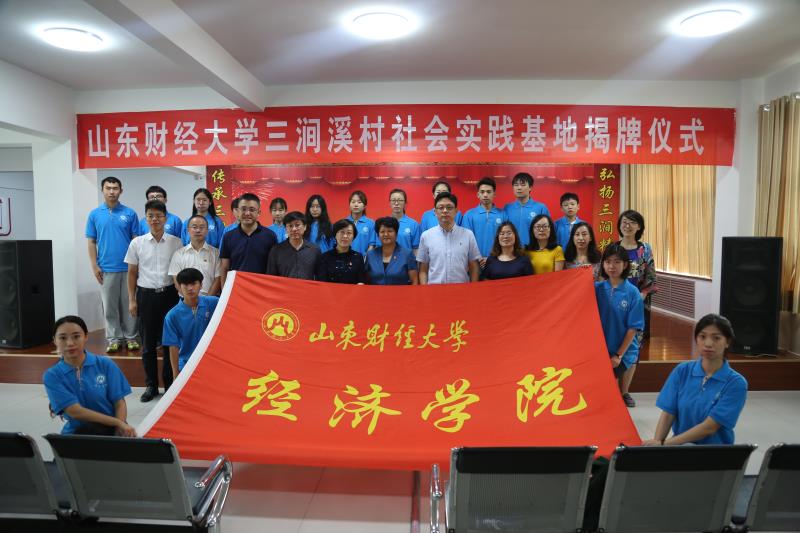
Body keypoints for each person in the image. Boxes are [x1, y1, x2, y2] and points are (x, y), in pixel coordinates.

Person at [643, 314, 747, 446]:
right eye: (702, 337)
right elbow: (668, 413)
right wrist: (657, 445)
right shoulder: (682, 371)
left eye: (716, 338)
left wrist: (665, 444)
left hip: (715, 452)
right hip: (679, 446)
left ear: (727, 342)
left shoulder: (736, 383)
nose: (708, 343)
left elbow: (709, 427)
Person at [125, 200, 183, 402]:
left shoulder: (176, 242)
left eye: (159, 215)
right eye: (151, 215)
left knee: (169, 342)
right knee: (148, 344)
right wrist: (132, 300)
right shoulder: (137, 243)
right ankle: (151, 385)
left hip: (169, 295)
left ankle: (169, 384)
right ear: (146, 218)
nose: (155, 219)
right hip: (146, 296)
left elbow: (179, 271)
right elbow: (132, 273)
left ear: (165, 218)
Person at [44, 315, 136, 436]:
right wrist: (117, 422)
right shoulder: (52, 375)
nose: (70, 343)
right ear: (55, 340)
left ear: (86, 336)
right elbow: (75, 411)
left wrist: (119, 427)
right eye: (62, 338)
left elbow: (119, 402)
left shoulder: (105, 364)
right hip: (76, 434)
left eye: (76, 336)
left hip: (111, 431)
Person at [86, 176, 140, 354]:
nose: (111, 191)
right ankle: (114, 338)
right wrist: (94, 265)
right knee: (109, 306)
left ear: (121, 190)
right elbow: (91, 242)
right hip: (106, 269)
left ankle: (131, 337)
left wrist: (137, 265)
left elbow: (136, 241)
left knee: (129, 303)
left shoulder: (130, 213)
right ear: (102, 190)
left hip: (128, 268)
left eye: (115, 188)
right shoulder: (94, 214)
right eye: (108, 188)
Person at [616, 209, 658, 407]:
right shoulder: (613, 248)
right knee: (614, 345)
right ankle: (612, 391)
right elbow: (605, 274)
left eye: (632, 222)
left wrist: (640, 295)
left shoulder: (645, 249)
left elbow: (651, 277)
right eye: (624, 222)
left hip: (637, 306)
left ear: (639, 227)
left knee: (632, 349)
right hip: (615, 305)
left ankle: (625, 392)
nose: (628, 225)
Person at [594, 243, 645, 407]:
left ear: (625, 265)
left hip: (623, 351)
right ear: (603, 264)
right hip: (601, 349)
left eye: (617, 262)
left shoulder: (632, 292)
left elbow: (633, 328)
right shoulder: (596, 289)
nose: (612, 266)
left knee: (610, 390)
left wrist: (618, 355)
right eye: (608, 261)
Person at [162, 268, 220, 377]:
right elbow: (173, 347)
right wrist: (175, 374)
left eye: (194, 284)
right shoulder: (172, 316)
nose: (190, 288)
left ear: (201, 285)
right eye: (185, 284)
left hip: (212, 363)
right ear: (179, 287)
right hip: (186, 366)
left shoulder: (214, 303)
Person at [417, 192, 480, 284]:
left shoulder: (468, 235)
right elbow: (423, 268)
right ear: (435, 212)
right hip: (434, 289)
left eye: (449, 207)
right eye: (441, 208)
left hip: (461, 289)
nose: (445, 211)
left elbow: (473, 266)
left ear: (456, 211)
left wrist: (473, 288)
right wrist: (425, 289)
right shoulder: (426, 236)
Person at [219, 193, 278, 286]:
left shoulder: (270, 236)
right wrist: (224, 290)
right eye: (243, 209)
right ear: (238, 211)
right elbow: (225, 267)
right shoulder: (228, 236)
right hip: (236, 288)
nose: (247, 213)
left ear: (259, 213)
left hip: (261, 288)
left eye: (252, 210)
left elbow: (273, 268)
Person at [168, 214, 222, 296]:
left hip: (210, 299)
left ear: (207, 230)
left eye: (202, 227)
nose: (198, 230)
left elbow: (218, 279)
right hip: (186, 299)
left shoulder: (216, 253)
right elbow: (176, 280)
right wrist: (189, 299)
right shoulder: (178, 254)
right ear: (188, 230)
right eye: (194, 227)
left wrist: (206, 300)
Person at [462, 177, 506, 267]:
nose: (485, 195)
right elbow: (466, 241)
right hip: (475, 264)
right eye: (482, 192)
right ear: (478, 194)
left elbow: (506, 240)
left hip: (498, 262)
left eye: (489, 192)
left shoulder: (503, 215)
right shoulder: (469, 215)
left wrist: (492, 259)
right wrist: (477, 258)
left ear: (494, 194)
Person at [266, 211, 321, 279]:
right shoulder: (276, 250)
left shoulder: (315, 250)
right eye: (290, 226)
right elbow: (270, 278)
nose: (294, 229)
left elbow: (320, 277)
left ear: (305, 227)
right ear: (286, 229)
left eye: (297, 225)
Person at [366, 217, 419, 285]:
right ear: (378, 235)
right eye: (382, 232)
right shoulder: (370, 255)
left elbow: (414, 281)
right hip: (375, 291)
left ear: (396, 234)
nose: (386, 234)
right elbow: (366, 280)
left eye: (390, 231)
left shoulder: (407, 254)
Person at [503, 172, 551, 248]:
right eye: (516, 185)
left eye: (523, 185)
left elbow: (549, 232)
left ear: (530, 187)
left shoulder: (541, 208)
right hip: (512, 251)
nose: (519, 188)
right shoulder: (507, 208)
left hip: (534, 250)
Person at [316, 219, 367, 284]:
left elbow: (361, 280)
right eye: (342, 232)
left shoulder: (358, 257)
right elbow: (321, 282)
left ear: (353, 236)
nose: (345, 236)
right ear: (335, 235)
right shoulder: (324, 257)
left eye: (349, 233)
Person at [388, 188, 420, 253]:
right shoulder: (383, 223)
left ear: (405, 203)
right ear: (389, 203)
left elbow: (416, 249)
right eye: (393, 200)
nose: (396, 203)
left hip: (407, 259)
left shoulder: (413, 224)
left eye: (400, 200)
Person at [347, 190, 377, 255]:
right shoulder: (344, 223)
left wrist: (365, 258)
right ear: (349, 205)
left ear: (365, 206)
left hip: (363, 259)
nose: (356, 205)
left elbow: (372, 245)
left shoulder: (371, 223)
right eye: (353, 202)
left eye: (359, 202)